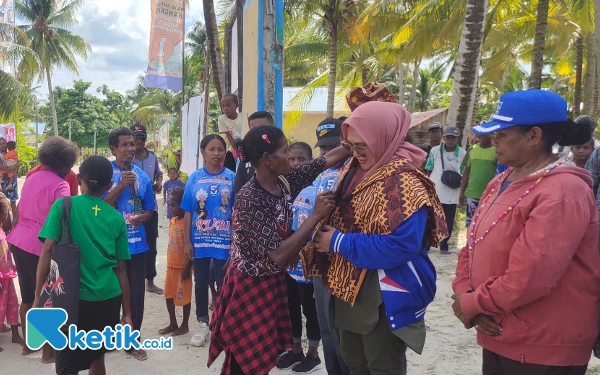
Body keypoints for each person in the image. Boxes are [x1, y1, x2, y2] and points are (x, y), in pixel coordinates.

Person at [453, 90, 600, 375]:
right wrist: (465, 293)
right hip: (500, 330)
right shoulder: (500, 181)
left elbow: (530, 276)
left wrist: (471, 302)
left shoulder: (563, 191)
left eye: (500, 134)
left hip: (542, 343)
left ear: (534, 136)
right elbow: (472, 244)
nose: (492, 141)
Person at [307, 101, 446, 375]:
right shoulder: (355, 171)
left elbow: (403, 245)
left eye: (362, 146)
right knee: (354, 361)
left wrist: (338, 242)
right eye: (351, 146)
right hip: (348, 284)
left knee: (381, 363)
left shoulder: (403, 181)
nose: (356, 154)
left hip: (382, 291)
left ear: (385, 137)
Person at [207, 126, 349, 375]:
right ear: (267, 159)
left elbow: (324, 161)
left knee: (261, 355)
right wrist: (315, 215)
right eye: (285, 151)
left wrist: (352, 143)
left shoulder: (283, 180)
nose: (289, 156)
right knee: (244, 357)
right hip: (249, 285)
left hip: (270, 281)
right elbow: (279, 254)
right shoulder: (250, 198)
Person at [36, 156, 132, 375]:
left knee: (67, 361)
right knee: (97, 357)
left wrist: (37, 295)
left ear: (79, 179)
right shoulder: (116, 218)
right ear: (109, 185)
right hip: (107, 298)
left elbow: (48, 249)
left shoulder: (65, 205)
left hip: (70, 299)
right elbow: (121, 269)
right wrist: (127, 313)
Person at [7, 136, 77, 362]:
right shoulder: (61, 184)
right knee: (48, 296)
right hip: (42, 245)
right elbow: (64, 217)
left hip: (19, 240)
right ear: (66, 164)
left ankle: (29, 346)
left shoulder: (32, 177)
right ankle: (48, 352)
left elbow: (21, 209)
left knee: (27, 294)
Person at [104, 127, 155, 361]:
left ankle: (133, 339)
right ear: (113, 148)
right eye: (124, 145)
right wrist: (121, 186)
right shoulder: (104, 173)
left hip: (136, 246)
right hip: (108, 247)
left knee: (136, 295)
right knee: (110, 295)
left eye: (132, 144)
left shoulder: (143, 176)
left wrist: (142, 217)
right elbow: (97, 206)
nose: (130, 149)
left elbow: (149, 208)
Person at [181, 134, 236, 347]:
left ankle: (222, 326)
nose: (216, 153)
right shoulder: (194, 178)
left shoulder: (232, 177)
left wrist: (234, 241)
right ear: (203, 152)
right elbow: (187, 211)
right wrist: (187, 242)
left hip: (224, 241)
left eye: (220, 149)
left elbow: (236, 211)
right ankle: (203, 323)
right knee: (201, 282)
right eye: (211, 149)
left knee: (224, 284)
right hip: (200, 241)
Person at [276, 142, 322, 373]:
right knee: (291, 307)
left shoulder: (317, 191)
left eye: (301, 159)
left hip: (308, 264)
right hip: (288, 265)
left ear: (311, 163)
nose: (295, 164)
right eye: (291, 159)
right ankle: (296, 350)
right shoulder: (284, 189)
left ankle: (313, 355)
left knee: (310, 310)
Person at [131, 123, 163, 296]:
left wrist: (158, 183)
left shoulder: (153, 157)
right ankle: (132, 280)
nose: (139, 140)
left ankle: (149, 282)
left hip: (152, 207)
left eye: (142, 137)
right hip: (132, 207)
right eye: (136, 137)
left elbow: (159, 174)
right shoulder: (128, 160)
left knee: (151, 244)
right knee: (132, 242)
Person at [424, 126, 466, 254]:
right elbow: (429, 168)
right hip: (436, 189)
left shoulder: (463, 153)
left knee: (448, 219)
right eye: (448, 137)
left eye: (453, 137)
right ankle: (427, 244)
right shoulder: (435, 151)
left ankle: (444, 245)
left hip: (452, 191)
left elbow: (464, 171)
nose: (450, 140)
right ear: (444, 138)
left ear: (457, 138)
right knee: (431, 218)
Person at [159, 187, 193, 337]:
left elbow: (192, 247)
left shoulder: (187, 224)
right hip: (171, 264)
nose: (171, 208)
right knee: (169, 295)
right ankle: (173, 323)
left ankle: (184, 325)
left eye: (174, 205)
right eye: (170, 204)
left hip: (183, 266)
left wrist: (188, 267)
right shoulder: (173, 221)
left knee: (184, 297)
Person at [0, 192, 23, 352]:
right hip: (1, 278)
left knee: (12, 303)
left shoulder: (1, 232)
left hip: (7, 275)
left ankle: (15, 333)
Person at [458, 133, 497, 227]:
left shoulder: (497, 150)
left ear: (492, 135)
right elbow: (466, 172)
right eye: (479, 135)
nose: (481, 137)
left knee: (485, 224)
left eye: (484, 134)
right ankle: (470, 242)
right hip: (472, 194)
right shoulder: (472, 150)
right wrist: (462, 192)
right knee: (470, 224)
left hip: (491, 195)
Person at [232, 111, 275, 194]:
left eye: (263, 128)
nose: (259, 132)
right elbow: (238, 192)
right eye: (254, 129)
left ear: (273, 128)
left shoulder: (281, 157)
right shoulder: (246, 159)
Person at [218, 94, 242, 172]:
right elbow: (228, 135)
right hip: (230, 150)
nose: (225, 108)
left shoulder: (242, 117)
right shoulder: (222, 118)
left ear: (236, 105)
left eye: (228, 105)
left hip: (242, 147)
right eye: (223, 106)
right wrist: (236, 149)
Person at [0, 138, 20, 218]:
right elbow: (3, 168)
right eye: (0, 144)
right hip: (1, 180)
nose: (3, 145)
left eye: (4, 143)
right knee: (2, 203)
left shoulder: (11, 153)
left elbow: (18, 163)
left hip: (12, 179)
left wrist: (16, 166)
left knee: (13, 201)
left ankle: (15, 224)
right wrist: (13, 167)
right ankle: (4, 225)